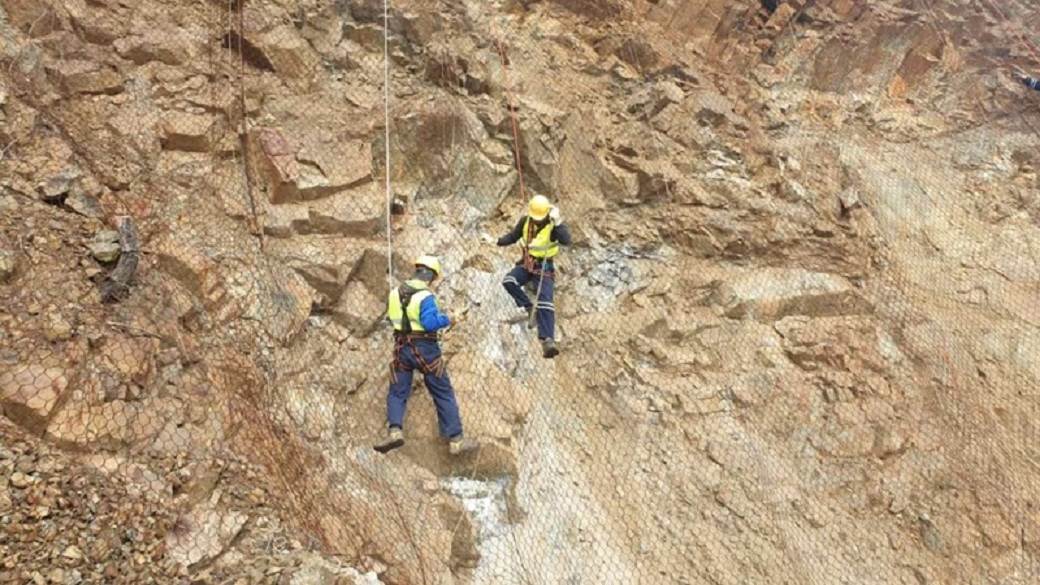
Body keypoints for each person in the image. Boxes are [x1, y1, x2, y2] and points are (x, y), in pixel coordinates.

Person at [374, 255, 477, 455]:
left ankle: (395, 431)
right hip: (425, 347)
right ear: (431, 275)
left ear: (417, 270)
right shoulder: (425, 296)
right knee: (442, 391)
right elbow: (429, 323)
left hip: (401, 347)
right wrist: (450, 318)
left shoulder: (395, 292)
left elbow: (392, 319)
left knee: (397, 391)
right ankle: (456, 440)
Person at [495, 194, 572, 358]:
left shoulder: (553, 226)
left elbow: (566, 240)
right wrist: (497, 240)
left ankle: (547, 340)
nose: (536, 220)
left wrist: (558, 223)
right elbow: (513, 236)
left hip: (544, 265)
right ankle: (529, 308)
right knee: (509, 281)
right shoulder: (526, 221)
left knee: (545, 301)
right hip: (527, 263)